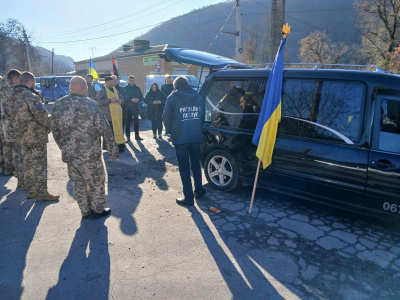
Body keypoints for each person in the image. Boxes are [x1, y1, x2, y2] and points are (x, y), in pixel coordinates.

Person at [51, 76, 119, 219]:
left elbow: (55, 131)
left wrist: (63, 147)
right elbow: (105, 130)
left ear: (70, 88)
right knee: (96, 182)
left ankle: (85, 211)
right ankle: (97, 210)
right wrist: (113, 151)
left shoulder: (58, 105)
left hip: (70, 155)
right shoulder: (91, 105)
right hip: (90, 155)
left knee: (78, 184)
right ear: (84, 88)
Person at [10, 71, 59, 201]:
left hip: (21, 136)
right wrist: (49, 126)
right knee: (40, 165)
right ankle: (42, 193)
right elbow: (41, 116)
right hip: (35, 136)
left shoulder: (12, 96)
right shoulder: (31, 96)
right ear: (30, 82)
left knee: (27, 163)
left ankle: (30, 191)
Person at [163, 76, 206, 206]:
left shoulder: (172, 97)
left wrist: (171, 132)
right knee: (196, 165)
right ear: (187, 84)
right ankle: (198, 190)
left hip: (180, 137)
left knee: (184, 168)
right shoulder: (197, 96)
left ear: (175, 86)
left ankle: (188, 197)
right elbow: (202, 115)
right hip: (195, 135)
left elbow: (166, 117)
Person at [96, 76, 125, 152]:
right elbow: (99, 101)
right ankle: (111, 148)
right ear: (106, 82)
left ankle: (120, 146)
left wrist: (121, 101)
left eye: (112, 82)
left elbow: (122, 98)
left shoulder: (116, 90)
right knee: (110, 132)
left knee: (119, 130)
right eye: (110, 82)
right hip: (108, 115)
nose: (112, 83)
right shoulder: (102, 91)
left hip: (117, 115)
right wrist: (109, 100)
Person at [0, 69, 20, 176]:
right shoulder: (12, 90)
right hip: (9, 122)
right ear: (16, 79)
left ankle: (2, 166)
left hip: (1, 120)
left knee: (2, 144)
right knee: (11, 145)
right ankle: (10, 167)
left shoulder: (2, 88)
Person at [124, 75, 144, 141]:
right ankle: (128, 137)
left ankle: (137, 136)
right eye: (131, 80)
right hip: (128, 108)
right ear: (128, 81)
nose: (132, 81)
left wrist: (138, 99)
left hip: (136, 107)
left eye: (133, 80)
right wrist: (131, 99)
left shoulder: (137, 88)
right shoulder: (125, 88)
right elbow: (124, 97)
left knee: (136, 122)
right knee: (128, 123)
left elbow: (142, 97)